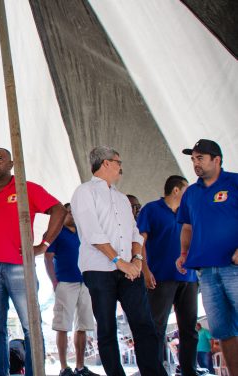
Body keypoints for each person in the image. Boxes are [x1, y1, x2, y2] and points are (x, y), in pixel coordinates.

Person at [0, 147, 66, 376]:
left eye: (0, 159)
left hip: (21, 267)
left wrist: (44, 245)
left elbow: (59, 210)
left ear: (11, 164)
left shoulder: (26, 188)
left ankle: (35, 373)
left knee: (31, 327)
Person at [70, 146, 167, 376]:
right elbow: (92, 232)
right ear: (105, 163)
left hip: (129, 269)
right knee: (106, 328)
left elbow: (135, 233)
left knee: (144, 323)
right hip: (98, 270)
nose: (120, 167)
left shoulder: (123, 198)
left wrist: (136, 259)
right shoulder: (84, 192)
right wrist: (119, 261)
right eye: (118, 162)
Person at [176, 139, 238, 376]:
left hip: (234, 268)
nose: (195, 163)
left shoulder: (235, 182)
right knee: (222, 330)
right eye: (192, 159)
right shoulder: (191, 193)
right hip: (206, 272)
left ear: (217, 159)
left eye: (200, 158)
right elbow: (188, 228)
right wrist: (183, 253)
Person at [137, 175, 198, 376]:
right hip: (160, 277)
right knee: (157, 327)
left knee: (189, 328)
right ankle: (156, 371)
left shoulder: (188, 211)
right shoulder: (151, 210)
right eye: (186, 189)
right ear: (176, 190)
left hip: (189, 278)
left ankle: (188, 369)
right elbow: (140, 243)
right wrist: (145, 270)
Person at [44, 203, 98, 376]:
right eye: (69, 212)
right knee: (62, 326)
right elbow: (48, 257)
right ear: (64, 214)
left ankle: (80, 367)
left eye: (75, 212)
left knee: (82, 325)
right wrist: (54, 282)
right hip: (65, 282)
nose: (73, 215)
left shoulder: (83, 233)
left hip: (85, 282)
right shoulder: (57, 233)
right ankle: (63, 367)